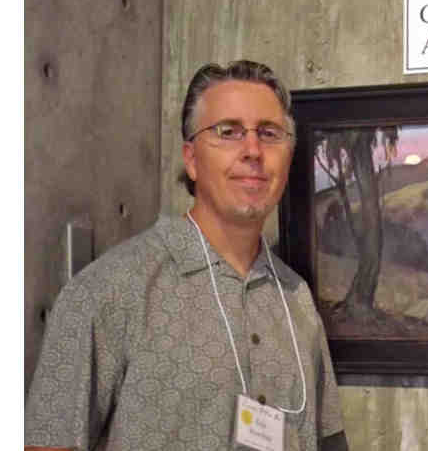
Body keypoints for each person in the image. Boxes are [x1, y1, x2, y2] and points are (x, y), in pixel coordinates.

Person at [25, 60, 349, 451]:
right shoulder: (108, 291)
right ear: (192, 159)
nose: (253, 150)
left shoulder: (296, 298)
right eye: (228, 131)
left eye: (269, 133)